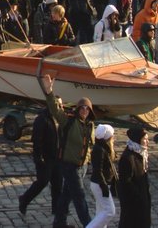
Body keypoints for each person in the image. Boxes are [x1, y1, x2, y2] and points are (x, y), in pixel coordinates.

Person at [40, 74, 94, 228]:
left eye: (87, 108)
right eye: (82, 108)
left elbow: (89, 146)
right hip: (69, 165)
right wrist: (49, 92)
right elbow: (55, 110)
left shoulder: (90, 125)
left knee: (67, 195)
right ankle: (88, 224)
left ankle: (59, 222)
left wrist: (88, 161)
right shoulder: (68, 121)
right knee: (79, 196)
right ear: (78, 109)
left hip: (82, 166)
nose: (84, 110)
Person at [18, 106, 61, 218]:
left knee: (57, 183)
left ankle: (56, 210)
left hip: (57, 156)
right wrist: (38, 157)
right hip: (46, 157)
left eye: (61, 105)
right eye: (57, 105)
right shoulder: (42, 119)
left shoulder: (60, 118)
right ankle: (24, 199)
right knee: (43, 181)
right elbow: (37, 139)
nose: (60, 107)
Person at [117, 126, 151, 228]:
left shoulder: (141, 154)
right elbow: (125, 182)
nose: (147, 142)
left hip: (141, 199)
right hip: (133, 202)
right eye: (145, 139)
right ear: (137, 140)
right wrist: (139, 197)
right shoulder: (128, 158)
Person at [87, 124, 117, 228]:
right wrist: (104, 186)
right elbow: (97, 170)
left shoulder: (104, 148)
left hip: (102, 183)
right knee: (110, 211)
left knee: (101, 213)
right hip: (100, 184)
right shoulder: (99, 150)